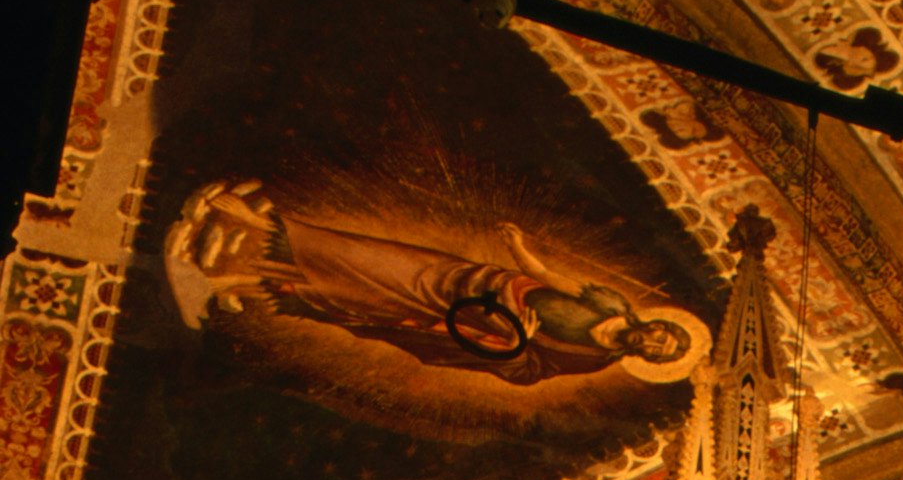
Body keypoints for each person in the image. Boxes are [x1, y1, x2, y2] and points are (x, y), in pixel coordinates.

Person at [164, 181, 696, 386]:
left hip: (466, 320)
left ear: (649, 358)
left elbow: (527, 373)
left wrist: (518, 342)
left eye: (659, 348)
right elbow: (556, 279)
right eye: (660, 334)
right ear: (654, 325)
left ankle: (224, 279)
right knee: (370, 258)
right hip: (472, 280)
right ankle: (252, 222)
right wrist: (518, 250)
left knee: (351, 301)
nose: (652, 340)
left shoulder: (592, 360)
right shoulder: (616, 305)